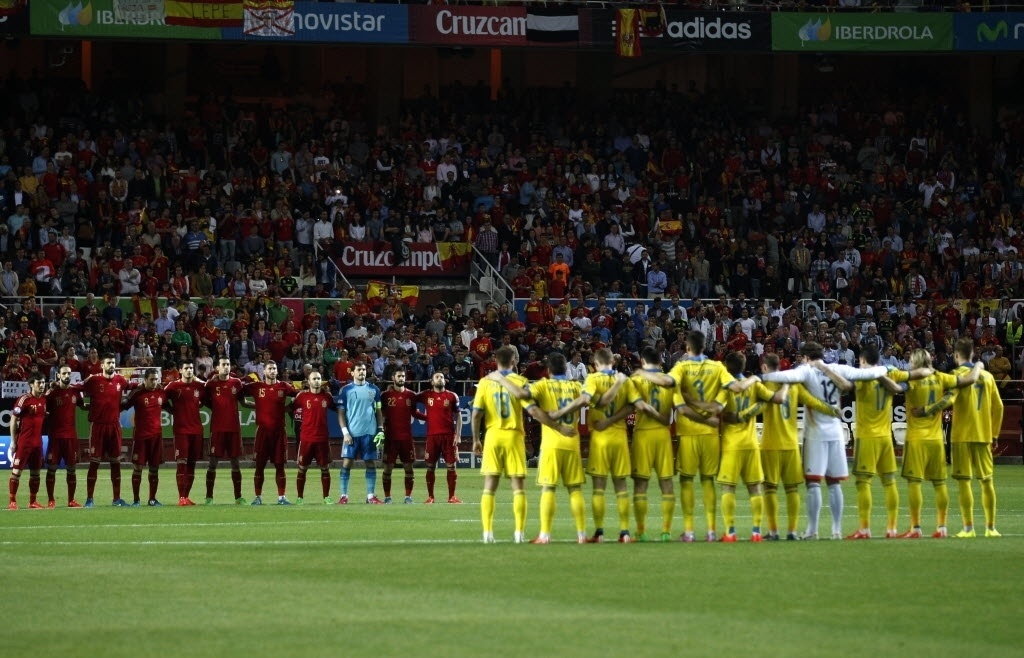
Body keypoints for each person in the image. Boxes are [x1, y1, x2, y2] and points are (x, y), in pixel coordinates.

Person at [633, 331, 758, 542]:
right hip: (710, 435)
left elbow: (666, 382)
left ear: (688, 348)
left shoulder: (682, 367)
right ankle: (711, 531)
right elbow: (737, 387)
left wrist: (641, 373)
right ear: (704, 346)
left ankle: (689, 531)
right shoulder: (717, 367)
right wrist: (755, 377)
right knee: (708, 481)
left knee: (687, 481)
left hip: (688, 432)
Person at [759, 342, 890, 539]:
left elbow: (786, 377)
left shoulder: (806, 370)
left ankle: (812, 530)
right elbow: (865, 374)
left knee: (813, 483)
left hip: (816, 434)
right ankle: (836, 530)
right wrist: (884, 369)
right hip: (836, 432)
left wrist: (760, 377)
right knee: (834, 483)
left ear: (805, 357)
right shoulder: (837, 368)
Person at [489, 353, 589, 544]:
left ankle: (545, 535)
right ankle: (582, 534)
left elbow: (522, 394)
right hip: (572, 442)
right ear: (566, 369)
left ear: (548, 370)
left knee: (548, 488)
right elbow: (587, 399)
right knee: (575, 489)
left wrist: (501, 379)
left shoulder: (543, 385)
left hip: (551, 445)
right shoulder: (575, 386)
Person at [631, 346, 717, 542]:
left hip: (642, 435)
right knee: (666, 483)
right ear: (660, 361)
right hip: (663, 436)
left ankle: (641, 532)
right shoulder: (671, 381)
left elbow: (629, 404)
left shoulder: (636, 379)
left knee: (641, 484)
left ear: (643, 362)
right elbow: (682, 407)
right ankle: (666, 532)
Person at [922, 339, 1001, 538]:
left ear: (956, 355)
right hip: (983, 434)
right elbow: (999, 407)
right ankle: (991, 528)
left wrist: (927, 410)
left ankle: (968, 529)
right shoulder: (988, 376)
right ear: (973, 354)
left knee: (964, 482)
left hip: (961, 436)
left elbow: (948, 399)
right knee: (987, 481)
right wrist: (994, 434)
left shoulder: (956, 376)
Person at [758, 353, 839, 540]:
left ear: (764, 367)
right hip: (792, 445)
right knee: (792, 489)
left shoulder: (764, 386)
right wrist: (832, 410)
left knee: (770, 489)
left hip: (770, 445)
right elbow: (813, 402)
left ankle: (773, 531)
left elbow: (759, 408)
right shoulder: (794, 386)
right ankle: (792, 531)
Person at [717, 351, 787, 542]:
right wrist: (787, 383)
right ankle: (756, 532)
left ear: (726, 366)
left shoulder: (726, 387)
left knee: (728, 488)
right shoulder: (755, 384)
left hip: (732, 444)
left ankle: (730, 532)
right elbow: (777, 399)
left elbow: (720, 412)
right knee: (755, 488)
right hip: (751, 443)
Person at [899, 349, 969, 539]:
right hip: (936, 439)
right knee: (939, 483)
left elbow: (896, 387)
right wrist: (977, 366)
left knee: (914, 482)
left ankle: (915, 528)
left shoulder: (912, 380)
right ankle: (942, 527)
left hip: (916, 438)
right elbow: (964, 382)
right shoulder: (940, 377)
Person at [571, 348, 633, 543]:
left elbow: (590, 400)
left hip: (600, 437)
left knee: (599, 488)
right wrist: (613, 420)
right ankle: (625, 533)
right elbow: (633, 406)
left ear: (596, 364)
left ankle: (599, 533)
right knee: (621, 486)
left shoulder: (592, 379)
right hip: (620, 437)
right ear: (613, 362)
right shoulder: (625, 380)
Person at [471, 346, 532, 543]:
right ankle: (519, 533)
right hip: (514, 435)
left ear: (495, 361)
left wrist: (476, 439)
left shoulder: (485, 382)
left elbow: (476, 414)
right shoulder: (520, 381)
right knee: (518, 487)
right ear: (514, 361)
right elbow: (529, 405)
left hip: (493, 435)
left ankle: (487, 532)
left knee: (489, 486)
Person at [243, 360, 297, 505]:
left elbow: (298, 396)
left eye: (274, 368)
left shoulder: (283, 386)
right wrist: (253, 404)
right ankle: (258, 497)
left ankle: (281, 497)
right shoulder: (256, 386)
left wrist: (288, 408)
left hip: (279, 432)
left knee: (280, 465)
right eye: (270, 369)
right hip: (262, 432)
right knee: (259, 466)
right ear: (264, 371)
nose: (272, 371)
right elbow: (239, 389)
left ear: (277, 371)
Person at [81, 353, 131, 507]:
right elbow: (78, 387)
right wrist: (82, 404)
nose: (111, 365)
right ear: (102, 365)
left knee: (115, 462)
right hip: (98, 426)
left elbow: (133, 387)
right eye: (108, 363)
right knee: (94, 462)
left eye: (113, 363)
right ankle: (89, 499)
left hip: (114, 426)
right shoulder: (94, 380)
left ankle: (116, 499)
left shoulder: (120, 380)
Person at [336, 362, 385, 504]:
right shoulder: (346, 390)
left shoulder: (374, 389)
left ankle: (370, 496)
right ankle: (343, 496)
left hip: (369, 433)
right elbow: (340, 413)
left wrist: (380, 429)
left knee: (371, 463)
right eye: (359, 370)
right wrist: (345, 432)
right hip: (352, 433)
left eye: (364, 369)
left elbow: (378, 411)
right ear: (352, 373)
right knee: (347, 463)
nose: (362, 372)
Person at [204, 356, 247, 504]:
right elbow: (204, 399)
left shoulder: (236, 383)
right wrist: (215, 408)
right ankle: (209, 497)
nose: (226, 367)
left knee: (235, 463)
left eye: (228, 364)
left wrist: (260, 406)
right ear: (217, 367)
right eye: (223, 364)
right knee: (212, 463)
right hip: (217, 429)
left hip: (234, 429)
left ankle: (238, 497)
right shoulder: (211, 384)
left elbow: (243, 401)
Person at [380, 367, 425, 504]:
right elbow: (380, 414)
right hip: (390, 438)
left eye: (403, 376)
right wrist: (380, 429)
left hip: (406, 437)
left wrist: (429, 418)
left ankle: (408, 497)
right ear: (393, 378)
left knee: (409, 467)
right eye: (399, 376)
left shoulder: (411, 395)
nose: (401, 378)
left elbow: (414, 413)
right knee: (388, 468)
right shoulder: (385, 396)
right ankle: (387, 497)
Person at [417, 371, 463, 504]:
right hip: (432, 437)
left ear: (445, 381)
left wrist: (458, 434)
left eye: (442, 377)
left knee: (451, 466)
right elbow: (410, 399)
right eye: (437, 377)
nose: (440, 379)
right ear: (432, 381)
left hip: (449, 437)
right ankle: (431, 497)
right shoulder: (426, 395)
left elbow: (458, 415)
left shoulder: (452, 396)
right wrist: (423, 417)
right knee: (430, 467)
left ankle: (452, 497)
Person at [164, 361, 206, 506]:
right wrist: (171, 410)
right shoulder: (173, 386)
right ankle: (181, 497)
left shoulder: (199, 386)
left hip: (197, 429)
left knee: (192, 464)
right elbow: (162, 398)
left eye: (191, 368)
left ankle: (187, 496)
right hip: (181, 430)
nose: (189, 370)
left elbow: (205, 398)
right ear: (180, 370)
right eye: (186, 368)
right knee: (182, 463)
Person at [293, 370, 337, 505]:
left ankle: (326, 497)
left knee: (325, 468)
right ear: (309, 381)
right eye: (314, 379)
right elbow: (291, 408)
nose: (317, 381)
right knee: (302, 468)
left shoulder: (327, 396)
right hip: (306, 438)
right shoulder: (302, 396)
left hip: (322, 438)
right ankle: (299, 498)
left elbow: (337, 409)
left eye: (319, 378)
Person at [123, 368, 166, 506]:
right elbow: (123, 405)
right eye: (152, 379)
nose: (154, 382)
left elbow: (170, 407)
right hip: (141, 437)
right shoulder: (137, 393)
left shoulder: (161, 392)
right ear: (145, 380)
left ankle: (152, 499)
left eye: (156, 379)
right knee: (138, 468)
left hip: (156, 436)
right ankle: (136, 500)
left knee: (154, 469)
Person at [44, 365, 86, 507]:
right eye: (64, 373)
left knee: (72, 469)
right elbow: (43, 409)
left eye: (69, 373)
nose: (67, 376)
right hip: (55, 437)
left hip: (71, 437)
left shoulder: (75, 391)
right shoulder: (51, 393)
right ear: (58, 375)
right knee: (52, 469)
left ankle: (71, 500)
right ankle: (51, 500)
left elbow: (83, 406)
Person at [7, 373, 48, 509]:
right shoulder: (24, 399)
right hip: (24, 443)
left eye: (43, 383)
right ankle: (12, 502)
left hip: (38, 443)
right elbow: (13, 419)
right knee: (16, 472)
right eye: (39, 383)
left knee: (36, 474)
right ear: (31, 384)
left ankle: (33, 502)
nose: (41, 385)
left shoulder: (44, 399)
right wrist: (13, 441)